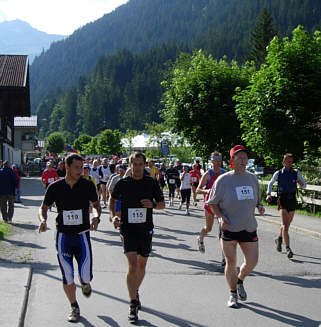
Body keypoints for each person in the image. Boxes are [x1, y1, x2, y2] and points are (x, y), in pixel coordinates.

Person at [38, 153, 101, 322]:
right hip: (63, 237)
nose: (80, 171)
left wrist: (96, 217)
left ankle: (85, 282)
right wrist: (43, 220)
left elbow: (96, 206)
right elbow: (43, 208)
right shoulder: (55, 187)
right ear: (67, 167)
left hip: (82, 236)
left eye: (82, 167)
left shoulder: (87, 186)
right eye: (77, 167)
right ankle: (74, 306)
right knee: (67, 275)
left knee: (85, 276)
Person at [109, 152, 165, 323]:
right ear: (130, 165)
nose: (138, 167)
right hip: (127, 228)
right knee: (132, 265)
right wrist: (113, 217)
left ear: (144, 165)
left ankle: (135, 290)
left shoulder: (151, 183)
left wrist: (153, 205)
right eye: (135, 164)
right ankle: (133, 303)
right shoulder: (123, 183)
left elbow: (162, 204)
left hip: (145, 229)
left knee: (141, 265)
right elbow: (112, 200)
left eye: (141, 164)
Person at [207, 145, 265, 308]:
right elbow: (212, 203)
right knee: (231, 262)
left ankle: (239, 281)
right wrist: (220, 217)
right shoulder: (224, 180)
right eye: (239, 157)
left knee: (252, 262)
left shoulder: (252, 178)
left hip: (248, 227)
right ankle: (232, 294)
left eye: (245, 157)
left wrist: (259, 207)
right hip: (229, 228)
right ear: (232, 160)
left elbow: (257, 201)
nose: (242, 160)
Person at [266, 153, 306, 258]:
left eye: (291, 161)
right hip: (282, 199)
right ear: (283, 162)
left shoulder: (296, 172)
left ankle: (279, 238)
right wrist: (268, 194)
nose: (290, 163)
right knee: (285, 226)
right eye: (288, 161)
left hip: (292, 199)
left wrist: (300, 183)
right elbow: (270, 183)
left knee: (286, 225)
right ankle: (288, 248)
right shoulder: (278, 173)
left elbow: (304, 185)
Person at [196, 152, 225, 254]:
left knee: (223, 229)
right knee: (208, 228)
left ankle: (224, 257)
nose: (218, 163)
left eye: (220, 161)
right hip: (209, 205)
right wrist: (207, 191)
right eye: (216, 161)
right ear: (212, 161)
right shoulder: (208, 174)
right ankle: (200, 238)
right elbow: (197, 190)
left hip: (222, 205)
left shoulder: (224, 173)